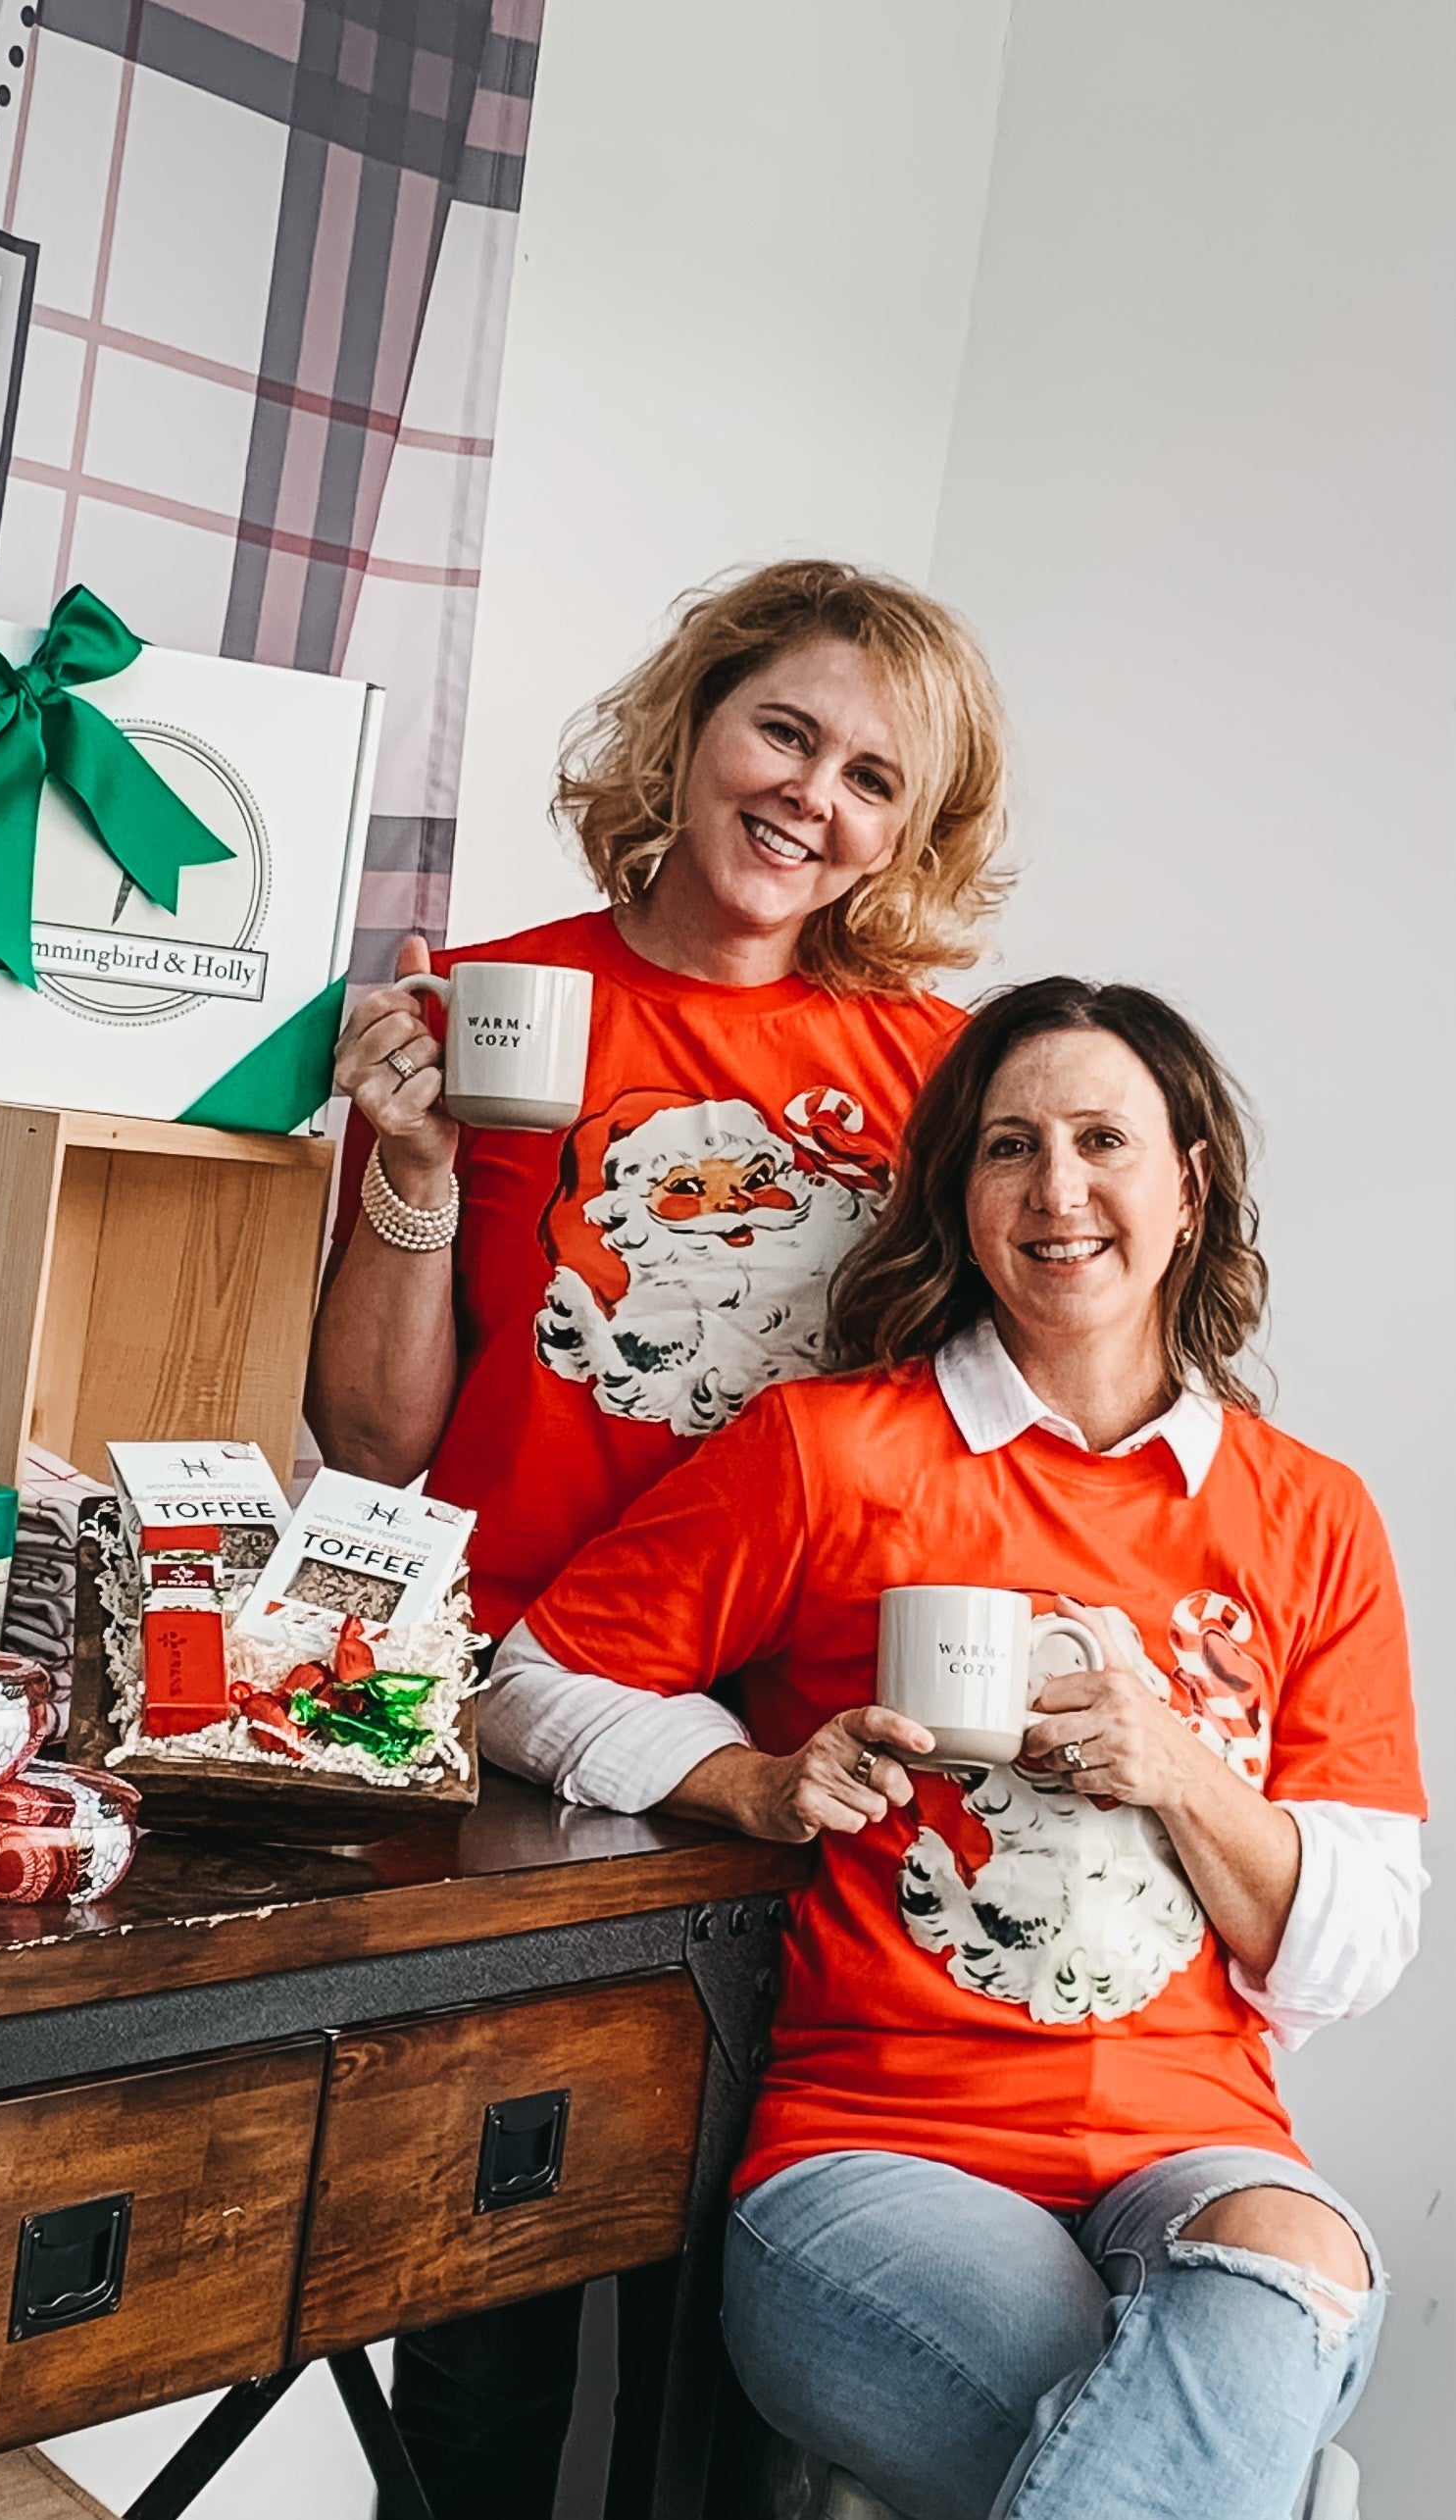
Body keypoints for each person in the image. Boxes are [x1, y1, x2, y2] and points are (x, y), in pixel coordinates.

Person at [486, 979, 1426, 2520]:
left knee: (1292, 2252)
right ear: (959, 1196)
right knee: (1205, 2457)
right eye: (1008, 1147)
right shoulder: (831, 1449)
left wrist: (1180, 1763)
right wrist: (754, 1782)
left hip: (1196, 2140)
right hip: (877, 2151)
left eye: (1101, 1139)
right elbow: (531, 1679)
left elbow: (1358, 1937)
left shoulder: (1307, 1512)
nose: (1057, 1189)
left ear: (1185, 1186)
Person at [305, 558, 1010, 2514]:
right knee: (487, 2295)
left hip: (805, 1754)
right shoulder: (493, 1012)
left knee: (732, 2342)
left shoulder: (936, 1081)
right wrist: (418, 1178)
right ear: (691, 726)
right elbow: (376, 1439)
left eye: (874, 776)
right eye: (782, 729)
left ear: (908, 831)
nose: (812, 798)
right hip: (525, 1734)